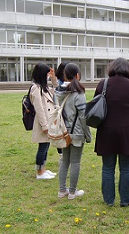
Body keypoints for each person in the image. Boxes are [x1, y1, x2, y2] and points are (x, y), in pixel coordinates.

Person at [94, 57, 129, 207]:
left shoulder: (103, 84)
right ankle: (125, 199)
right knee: (126, 167)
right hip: (127, 132)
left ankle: (109, 200)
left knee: (108, 167)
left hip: (106, 131)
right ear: (127, 69)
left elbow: (96, 105)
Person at [54, 63, 91, 199]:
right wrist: (88, 135)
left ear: (65, 75)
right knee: (75, 162)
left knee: (65, 161)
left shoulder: (59, 92)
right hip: (76, 132)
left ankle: (62, 190)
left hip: (63, 132)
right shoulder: (79, 93)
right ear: (77, 75)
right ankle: (72, 192)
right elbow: (83, 117)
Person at [30, 63, 58, 179]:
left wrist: (54, 79)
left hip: (49, 120)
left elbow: (57, 91)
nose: (48, 75)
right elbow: (39, 109)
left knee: (46, 147)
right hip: (43, 122)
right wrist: (44, 125)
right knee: (42, 148)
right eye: (47, 73)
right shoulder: (36, 88)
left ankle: (43, 169)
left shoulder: (44, 87)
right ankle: (39, 173)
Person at [55, 61, 69, 155]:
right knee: (60, 131)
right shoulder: (58, 83)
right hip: (60, 110)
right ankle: (61, 153)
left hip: (68, 110)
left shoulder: (68, 82)